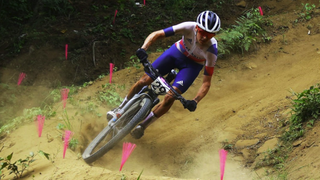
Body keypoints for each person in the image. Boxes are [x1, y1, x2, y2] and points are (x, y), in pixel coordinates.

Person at [108, 10, 221, 139]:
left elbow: (206, 83)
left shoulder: (212, 50)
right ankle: (120, 109)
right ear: (196, 27)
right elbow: (157, 34)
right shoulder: (188, 26)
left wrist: (195, 101)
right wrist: (143, 49)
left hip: (192, 66)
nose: (205, 37)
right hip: (176, 53)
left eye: (210, 35)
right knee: (144, 81)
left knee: (170, 97)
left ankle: (143, 126)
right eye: (202, 32)